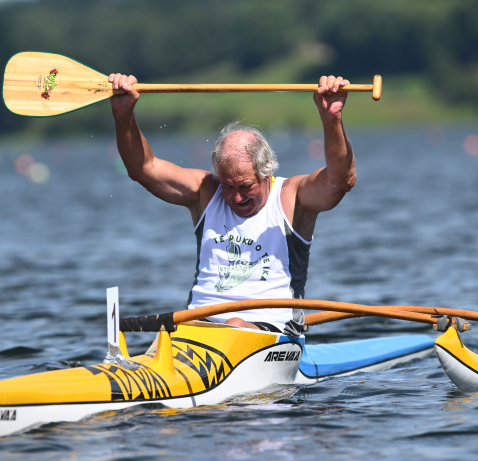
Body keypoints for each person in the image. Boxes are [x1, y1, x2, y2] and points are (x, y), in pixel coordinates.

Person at [110, 73, 355, 335]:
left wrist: (332, 119)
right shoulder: (205, 190)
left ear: (266, 172)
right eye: (228, 186)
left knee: (234, 325)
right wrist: (124, 116)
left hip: (272, 333)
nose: (236, 197)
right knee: (195, 332)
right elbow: (142, 169)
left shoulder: (293, 197)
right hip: (196, 328)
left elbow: (340, 181)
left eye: (245, 186)